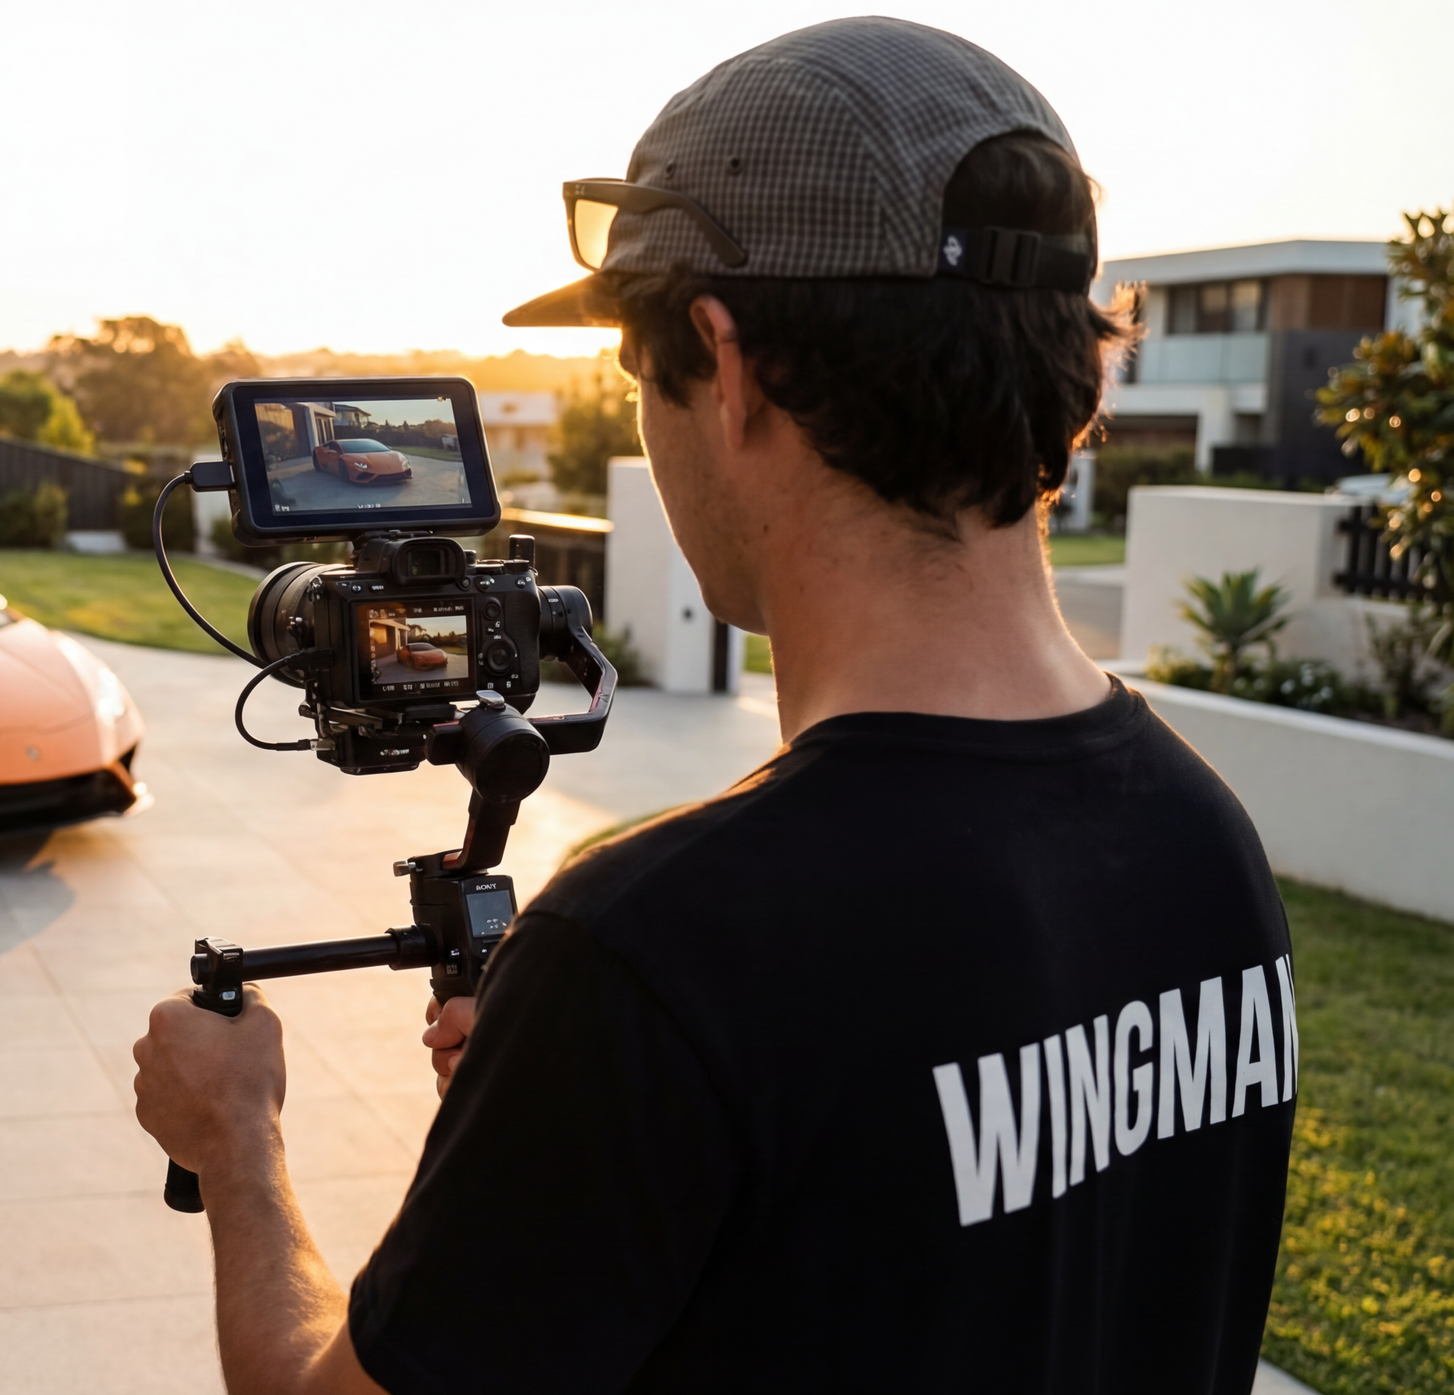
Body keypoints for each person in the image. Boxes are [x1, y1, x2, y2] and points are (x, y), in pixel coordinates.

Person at [131, 17, 1295, 1394]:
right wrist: (582, 1133)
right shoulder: (1208, 843)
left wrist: (238, 1138)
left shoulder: (656, 951)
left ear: (729, 365)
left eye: (637, 373)